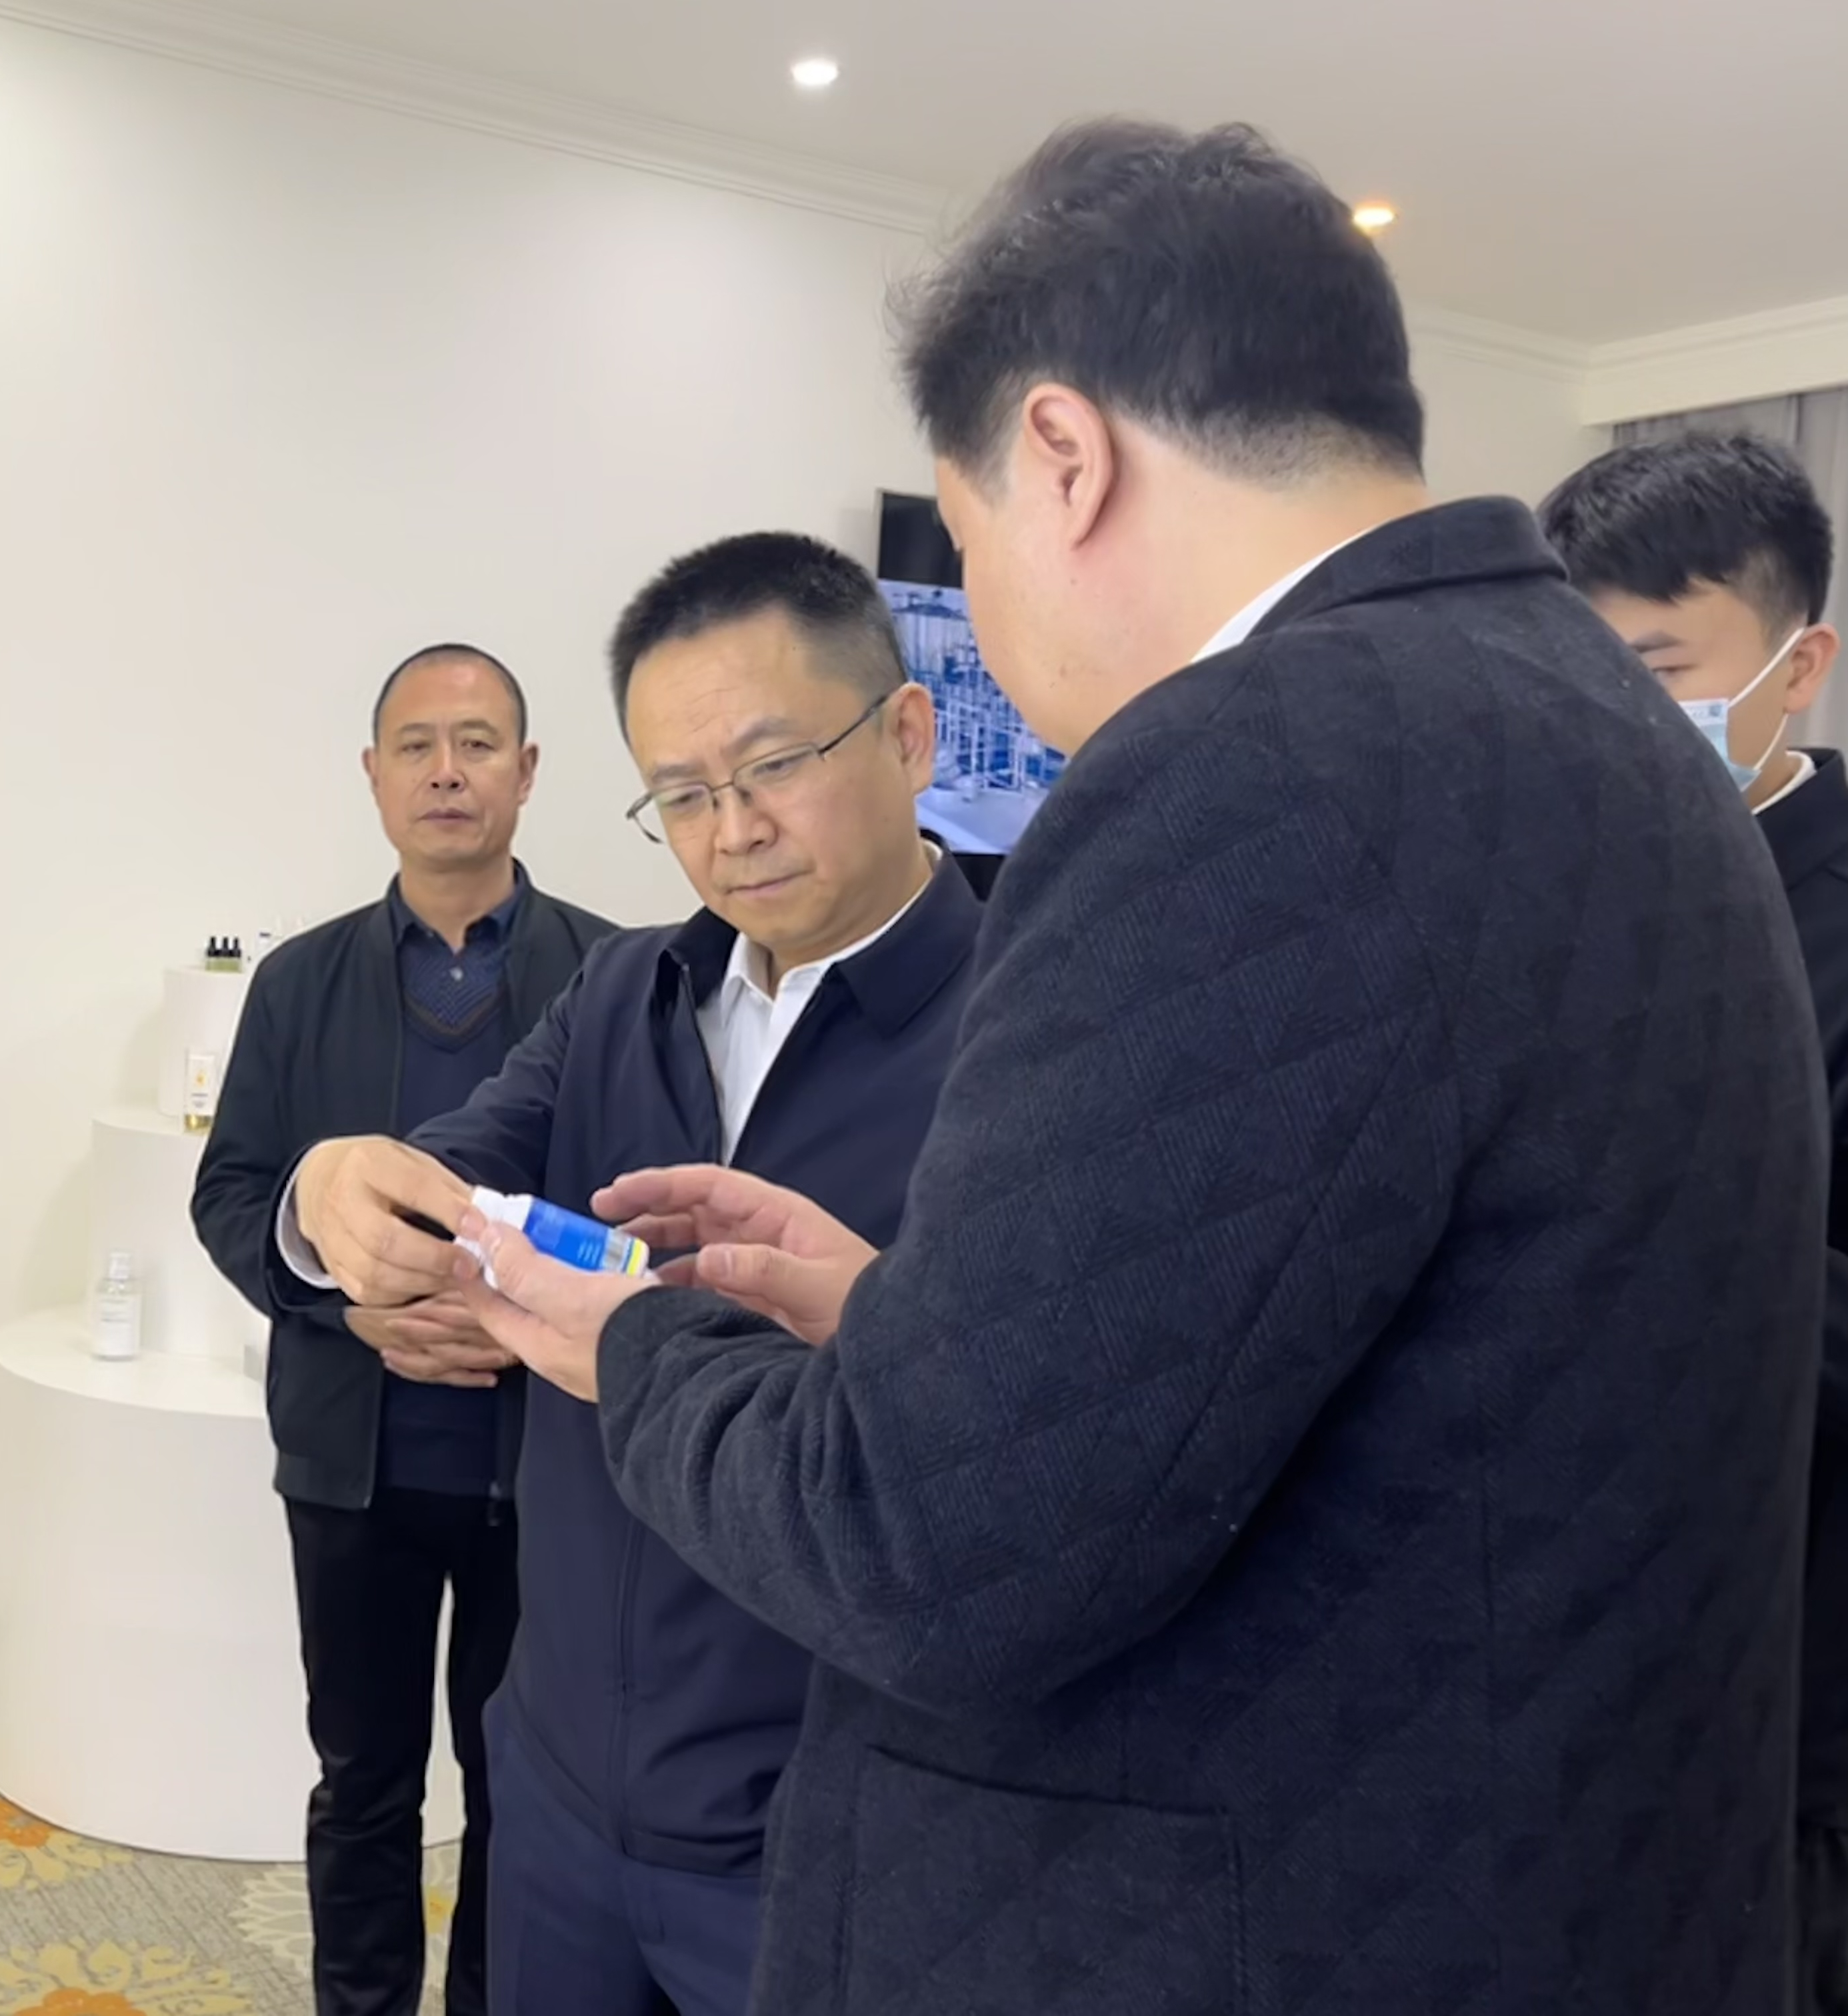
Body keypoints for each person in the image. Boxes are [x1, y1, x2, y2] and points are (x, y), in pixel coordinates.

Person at [364, 121, 1824, 2016]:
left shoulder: (1250, 771)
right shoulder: (1598, 732)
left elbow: (923, 1551)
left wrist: (630, 1338)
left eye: (964, 546)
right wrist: (907, 1323)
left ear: (1062, 456)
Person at [280, 535, 982, 2016]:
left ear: (909, 737)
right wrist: (333, 1187)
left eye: (773, 766)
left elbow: (1048, 1436)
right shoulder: (624, 991)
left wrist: (884, 1328)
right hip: (564, 1791)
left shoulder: (1024, 1037)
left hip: (831, 1827)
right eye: (681, 794)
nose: (732, 832)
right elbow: (457, 1168)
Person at [191, 644, 611, 2016]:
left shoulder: (617, 977)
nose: (446, 771)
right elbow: (233, 1195)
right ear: (372, 776)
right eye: (417, 746)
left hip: (547, 1465)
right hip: (352, 1466)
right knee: (363, 1781)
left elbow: (641, 1209)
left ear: (527, 773)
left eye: (477, 744)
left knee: (521, 1789)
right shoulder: (297, 980)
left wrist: (528, 1316)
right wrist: (348, 1299)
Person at [1538, 430, 1848, 2011]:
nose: (1611, 717)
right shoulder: (1539, 893)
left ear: (1802, 669)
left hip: (1787, 1694)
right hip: (1552, 1674)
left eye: (1660, 673)